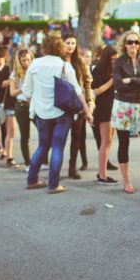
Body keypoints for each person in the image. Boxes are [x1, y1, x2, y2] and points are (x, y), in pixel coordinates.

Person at [22, 36, 93, 194]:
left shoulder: (35, 64)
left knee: (42, 146)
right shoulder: (64, 66)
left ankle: (32, 180)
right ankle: (53, 185)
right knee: (57, 147)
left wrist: (36, 104)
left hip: (41, 114)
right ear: (60, 48)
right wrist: (87, 111)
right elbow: (77, 90)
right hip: (62, 113)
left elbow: (26, 91)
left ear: (44, 47)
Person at [112, 30, 140, 193]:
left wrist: (131, 80)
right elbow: (117, 84)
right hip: (123, 105)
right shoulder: (118, 62)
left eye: (136, 42)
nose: (133, 45)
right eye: (130, 42)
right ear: (124, 44)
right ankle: (126, 181)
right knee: (124, 143)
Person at [63, 33, 93, 179]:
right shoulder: (58, 61)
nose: (70, 46)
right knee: (59, 136)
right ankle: (52, 164)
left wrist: (89, 101)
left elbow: (87, 82)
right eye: (67, 43)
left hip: (78, 104)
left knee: (76, 136)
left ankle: (72, 167)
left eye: (73, 43)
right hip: (61, 104)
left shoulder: (80, 62)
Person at [92, 45, 119, 185]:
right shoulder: (98, 70)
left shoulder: (115, 69)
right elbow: (96, 90)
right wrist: (112, 81)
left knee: (108, 142)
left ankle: (102, 172)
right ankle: (102, 175)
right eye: (112, 59)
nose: (115, 61)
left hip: (115, 107)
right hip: (104, 108)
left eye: (116, 59)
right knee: (105, 141)